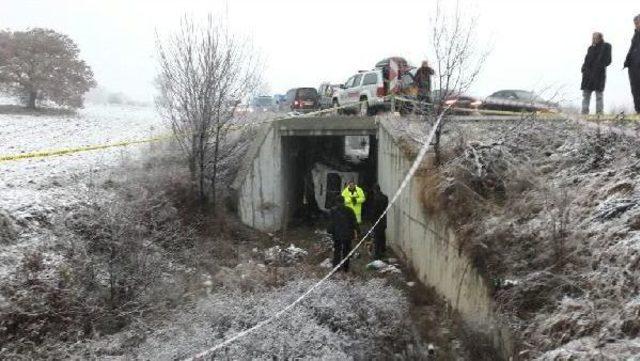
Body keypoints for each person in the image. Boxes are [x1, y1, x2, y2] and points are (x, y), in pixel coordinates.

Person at [581, 32, 612, 115]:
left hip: (599, 75)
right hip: (587, 75)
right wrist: (583, 69)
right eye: (593, 38)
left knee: (599, 95)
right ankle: (584, 113)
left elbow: (608, 60)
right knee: (586, 95)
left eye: (596, 38)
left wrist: (600, 66)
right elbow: (586, 60)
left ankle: (599, 113)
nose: (594, 39)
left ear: (600, 38)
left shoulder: (606, 46)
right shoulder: (590, 48)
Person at [327, 195, 358, 272]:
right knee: (346, 251)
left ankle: (336, 267)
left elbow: (331, 222)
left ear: (336, 202)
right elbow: (354, 222)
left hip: (337, 234)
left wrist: (330, 230)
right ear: (344, 202)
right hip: (347, 234)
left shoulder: (333, 210)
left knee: (337, 250)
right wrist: (358, 231)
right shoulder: (350, 210)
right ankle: (346, 267)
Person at [624, 14, 640, 114]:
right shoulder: (635, 35)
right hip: (633, 66)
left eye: (638, 23)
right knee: (635, 88)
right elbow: (632, 49)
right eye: (635, 24)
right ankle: (638, 110)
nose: (637, 25)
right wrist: (627, 60)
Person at [370, 184, 389, 260]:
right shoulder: (385, 197)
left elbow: (374, 211)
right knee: (382, 236)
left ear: (374, 190)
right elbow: (385, 207)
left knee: (377, 237)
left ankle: (377, 254)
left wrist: (372, 220)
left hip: (377, 220)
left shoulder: (375, 199)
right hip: (383, 219)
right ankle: (383, 250)